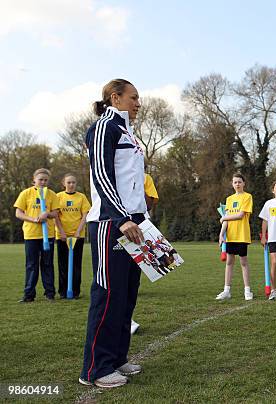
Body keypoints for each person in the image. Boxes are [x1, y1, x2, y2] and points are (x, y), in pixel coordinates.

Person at [79, 78, 146, 388]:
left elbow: (132, 181)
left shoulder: (127, 131)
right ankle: (95, 369)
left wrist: (142, 220)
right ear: (115, 97)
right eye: (133, 97)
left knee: (126, 294)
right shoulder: (104, 126)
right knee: (107, 293)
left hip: (134, 223)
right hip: (111, 224)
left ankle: (117, 358)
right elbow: (101, 174)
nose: (138, 103)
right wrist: (121, 218)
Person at [14, 168, 60, 302]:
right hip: (31, 235)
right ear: (34, 180)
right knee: (31, 265)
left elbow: (56, 213)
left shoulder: (52, 194)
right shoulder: (26, 193)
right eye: (40, 180)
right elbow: (18, 213)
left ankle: (50, 294)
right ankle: (29, 295)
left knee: (47, 264)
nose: (43, 182)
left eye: (46, 180)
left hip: (48, 235)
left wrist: (47, 214)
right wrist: (34, 219)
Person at [216, 173, 254, 301]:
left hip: (242, 235)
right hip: (230, 236)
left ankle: (247, 290)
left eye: (239, 182)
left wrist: (224, 217)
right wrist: (221, 234)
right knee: (229, 261)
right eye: (235, 182)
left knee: (243, 262)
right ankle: (227, 291)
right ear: (232, 184)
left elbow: (240, 215)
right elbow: (226, 220)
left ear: (244, 183)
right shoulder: (229, 199)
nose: (237, 184)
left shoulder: (247, 197)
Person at [131, 172, 159, 335]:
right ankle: (124, 320)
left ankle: (128, 317)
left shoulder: (145, 177)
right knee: (119, 277)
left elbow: (149, 204)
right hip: (118, 225)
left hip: (141, 224)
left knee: (134, 276)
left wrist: (137, 191)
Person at [55, 173, 91, 299]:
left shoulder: (81, 197)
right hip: (62, 236)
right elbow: (56, 216)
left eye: (73, 182)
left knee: (76, 264)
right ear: (63, 183)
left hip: (78, 236)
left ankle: (75, 292)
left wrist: (78, 232)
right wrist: (62, 232)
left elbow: (85, 215)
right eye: (68, 182)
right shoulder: (58, 196)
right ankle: (63, 292)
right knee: (62, 265)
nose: (71, 184)